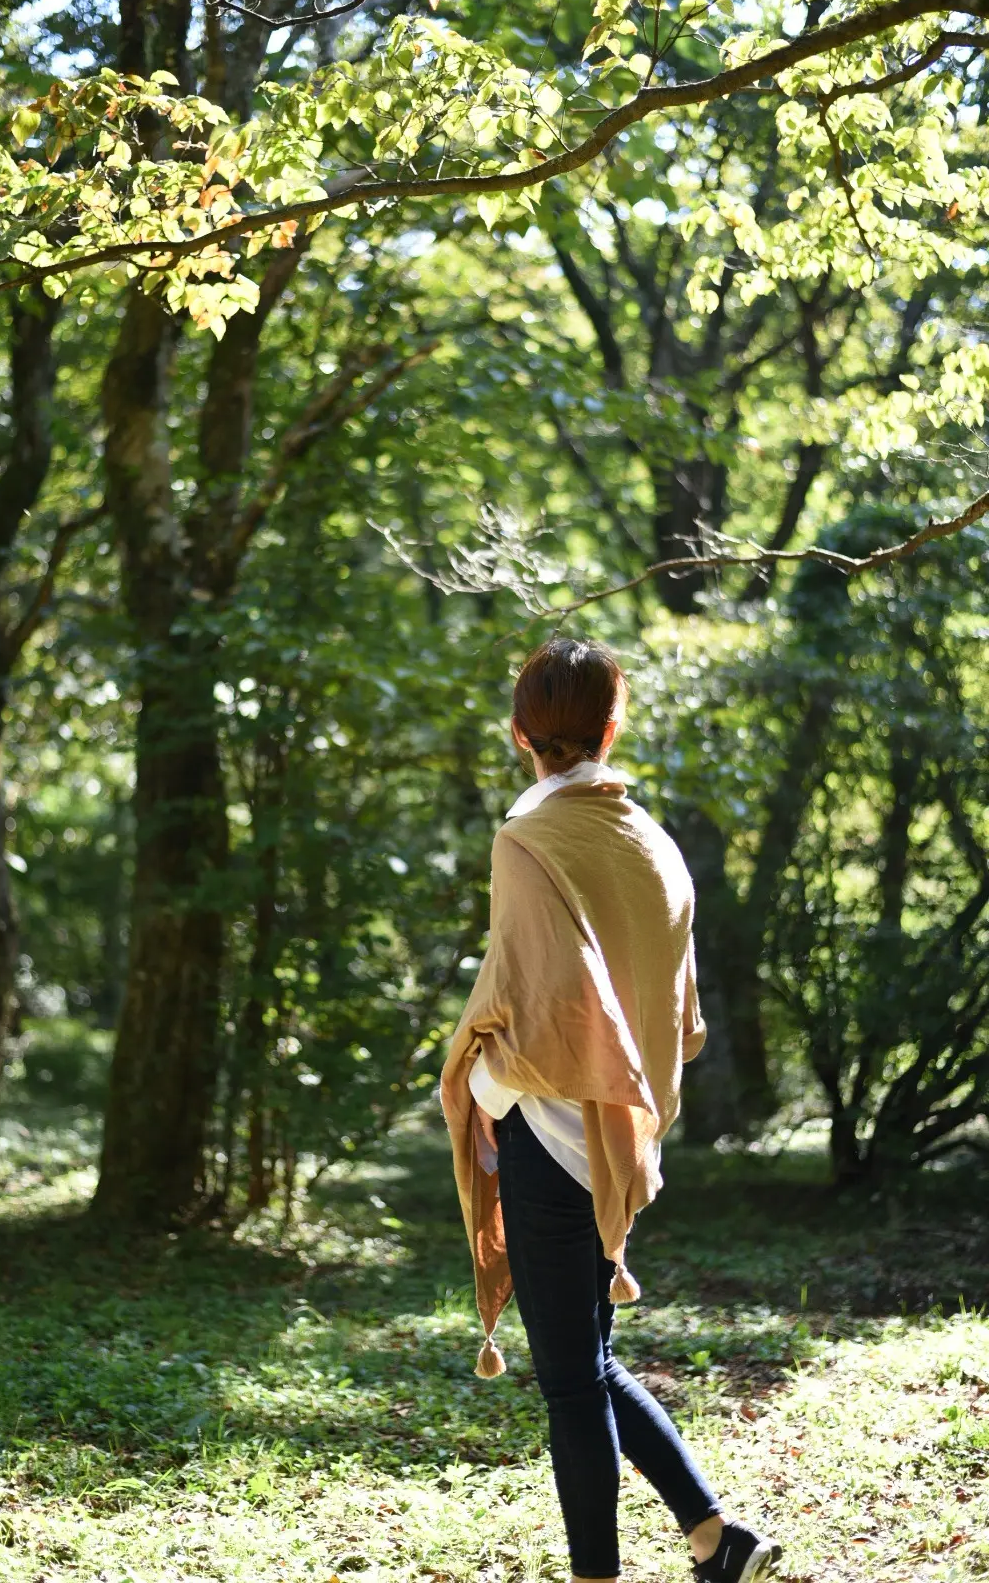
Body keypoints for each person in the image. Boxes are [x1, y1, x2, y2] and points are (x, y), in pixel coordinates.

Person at [439, 638, 782, 1583]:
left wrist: (484, 1088)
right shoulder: (655, 846)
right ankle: (718, 1538)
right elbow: (678, 1017)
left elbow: (536, 1010)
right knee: (587, 1360)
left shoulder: (527, 841)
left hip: (548, 1140)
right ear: (611, 726)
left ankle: (598, 1575)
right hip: (621, 1142)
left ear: (520, 735)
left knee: (568, 1384)